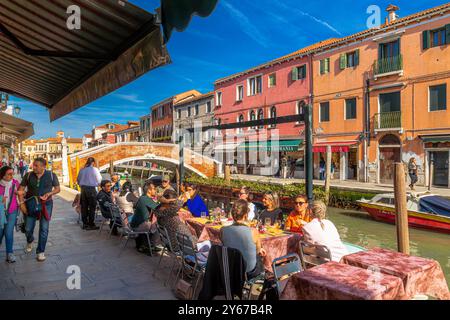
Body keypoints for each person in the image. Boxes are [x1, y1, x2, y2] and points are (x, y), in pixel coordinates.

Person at [18, 158, 60, 262]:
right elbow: (21, 190)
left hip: (46, 204)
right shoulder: (28, 175)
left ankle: (40, 252)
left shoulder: (51, 175)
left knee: (44, 229)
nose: (34, 167)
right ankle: (30, 240)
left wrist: (49, 194)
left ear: (43, 166)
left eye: (36, 165)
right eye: (34, 165)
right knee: (28, 228)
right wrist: (21, 203)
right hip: (31, 203)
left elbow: (57, 189)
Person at [220, 199, 266, 279]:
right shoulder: (253, 231)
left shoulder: (222, 230)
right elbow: (258, 251)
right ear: (246, 215)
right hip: (248, 271)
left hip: (230, 267)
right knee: (260, 258)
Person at [130, 181, 160, 252]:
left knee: (152, 224)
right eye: (154, 189)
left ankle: (147, 244)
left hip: (135, 223)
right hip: (139, 225)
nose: (155, 191)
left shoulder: (142, 197)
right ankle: (151, 245)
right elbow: (158, 208)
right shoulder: (145, 199)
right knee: (157, 226)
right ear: (149, 190)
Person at [0, 166, 20, 263]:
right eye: (9, 174)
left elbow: (22, 193)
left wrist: (20, 193)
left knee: (8, 232)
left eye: (12, 173)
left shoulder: (15, 183)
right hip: (0, 213)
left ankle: (9, 253)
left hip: (12, 211)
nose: (12, 176)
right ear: (3, 175)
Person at [76, 157, 102, 230]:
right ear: (93, 163)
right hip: (91, 189)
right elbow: (99, 180)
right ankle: (91, 224)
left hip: (83, 189)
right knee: (92, 207)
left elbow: (78, 180)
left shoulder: (82, 170)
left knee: (84, 207)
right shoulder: (95, 170)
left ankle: (85, 224)